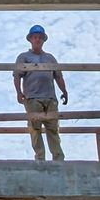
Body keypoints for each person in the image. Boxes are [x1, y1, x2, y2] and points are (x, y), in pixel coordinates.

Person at [12, 23, 68, 161]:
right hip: (32, 98)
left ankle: (58, 158)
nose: (37, 40)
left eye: (40, 37)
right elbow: (17, 75)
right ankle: (40, 158)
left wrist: (64, 91)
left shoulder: (50, 58)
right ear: (30, 39)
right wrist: (19, 92)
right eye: (35, 37)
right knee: (35, 129)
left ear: (43, 40)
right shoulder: (24, 57)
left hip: (50, 98)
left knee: (53, 129)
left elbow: (58, 76)